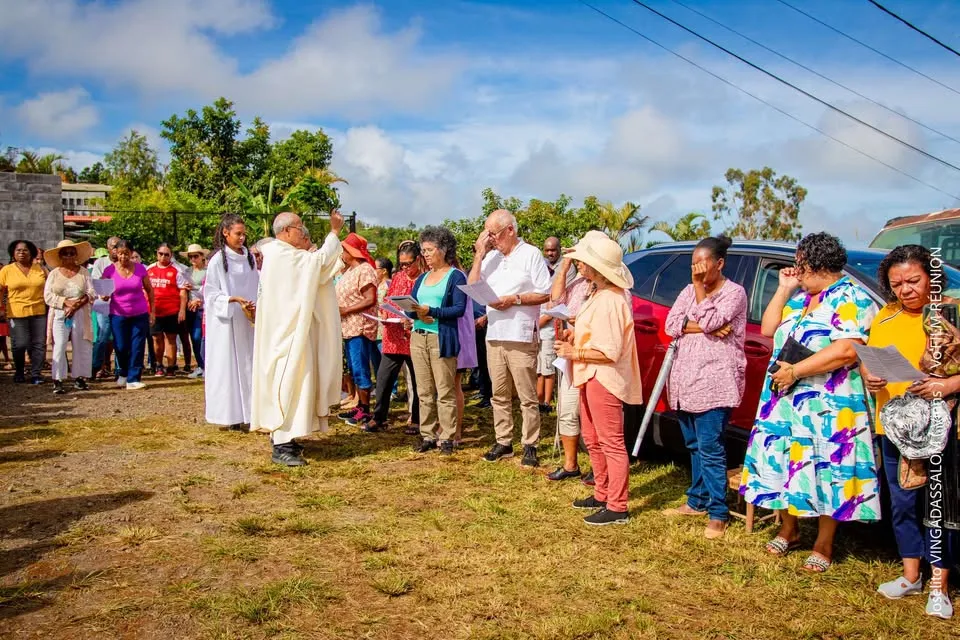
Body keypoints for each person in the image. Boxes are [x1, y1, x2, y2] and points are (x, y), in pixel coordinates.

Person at [740, 232, 880, 573]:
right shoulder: (801, 297)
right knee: (784, 459)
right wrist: (784, 289)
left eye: (799, 265)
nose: (795, 270)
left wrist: (797, 371)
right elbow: (770, 328)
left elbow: (847, 350)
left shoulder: (852, 298)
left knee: (827, 466)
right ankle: (789, 529)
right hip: (785, 400)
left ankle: (824, 542)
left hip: (827, 402)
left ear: (816, 265)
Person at [864, 245, 956, 618]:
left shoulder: (950, 314)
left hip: (942, 428)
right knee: (902, 504)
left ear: (931, 278)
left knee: (940, 507)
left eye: (914, 280)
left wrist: (948, 385)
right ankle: (910, 575)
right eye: (897, 284)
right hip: (894, 426)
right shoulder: (885, 317)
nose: (906, 290)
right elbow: (869, 360)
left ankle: (940, 586)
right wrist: (869, 376)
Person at [662, 236, 747, 539]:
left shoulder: (734, 293)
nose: (696, 270)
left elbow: (711, 321)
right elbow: (671, 325)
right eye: (693, 265)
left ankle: (718, 513)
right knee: (694, 445)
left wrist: (700, 298)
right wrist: (705, 325)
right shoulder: (687, 291)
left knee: (711, 448)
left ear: (719, 263)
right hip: (685, 383)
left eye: (702, 264)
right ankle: (697, 500)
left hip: (715, 384)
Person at [555, 232, 642, 525]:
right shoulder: (599, 294)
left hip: (603, 376)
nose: (579, 264)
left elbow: (609, 351)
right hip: (590, 374)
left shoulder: (611, 300)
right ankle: (603, 492)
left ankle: (617, 505)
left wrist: (574, 351)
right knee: (592, 438)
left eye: (583, 260)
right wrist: (575, 336)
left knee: (610, 442)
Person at [251, 211, 345, 466]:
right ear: (285, 231)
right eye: (299, 227)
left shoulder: (281, 254)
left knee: (296, 383)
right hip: (286, 336)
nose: (303, 232)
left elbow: (315, 269)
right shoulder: (282, 255)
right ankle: (282, 445)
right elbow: (318, 264)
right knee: (289, 382)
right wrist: (334, 232)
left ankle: (286, 437)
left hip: (288, 332)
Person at [468, 209, 552, 467]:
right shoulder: (491, 257)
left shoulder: (531, 254)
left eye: (493, 234)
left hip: (521, 334)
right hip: (495, 334)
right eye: (487, 234)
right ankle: (503, 441)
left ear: (510, 230)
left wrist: (515, 299)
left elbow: (545, 293)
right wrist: (480, 253)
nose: (490, 239)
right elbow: (473, 285)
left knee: (527, 395)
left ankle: (530, 444)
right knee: (499, 393)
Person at [408, 227, 467, 455]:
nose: (425, 254)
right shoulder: (422, 278)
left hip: (441, 338)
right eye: (423, 250)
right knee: (423, 390)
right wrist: (413, 311)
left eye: (429, 250)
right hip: (418, 336)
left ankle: (448, 437)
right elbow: (413, 306)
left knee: (444, 390)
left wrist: (432, 311)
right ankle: (428, 434)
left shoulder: (455, 276)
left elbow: (459, 309)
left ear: (443, 249)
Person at [202, 215, 260, 431]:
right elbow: (210, 293)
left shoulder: (249, 258)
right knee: (228, 368)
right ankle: (231, 415)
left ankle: (252, 413)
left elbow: (256, 284)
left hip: (246, 320)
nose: (242, 238)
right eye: (238, 234)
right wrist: (232, 299)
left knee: (249, 364)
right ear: (226, 233)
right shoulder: (218, 260)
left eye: (244, 234)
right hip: (226, 322)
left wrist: (254, 306)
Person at [364, 244, 423, 434]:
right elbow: (389, 299)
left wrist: (412, 318)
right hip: (393, 336)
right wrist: (385, 311)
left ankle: (417, 419)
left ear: (418, 259)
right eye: (402, 264)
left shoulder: (425, 278)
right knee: (383, 378)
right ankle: (379, 417)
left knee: (418, 380)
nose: (405, 268)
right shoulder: (398, 277)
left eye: (408, 264)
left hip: (414, 335)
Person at [43, 240, 97, 395]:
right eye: (65, 253)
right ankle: (58, 379)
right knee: (59, 345)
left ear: (76, 255)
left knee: (81, 344)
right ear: (60, 256)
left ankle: (80, 377)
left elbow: (91, 292)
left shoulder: (83, 272)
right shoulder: (54, 274)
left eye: (71, 253)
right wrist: (65, 302)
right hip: (60, 311)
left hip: (80, 311)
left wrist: (76, 304)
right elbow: (48, 295)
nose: (69, 256)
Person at [336, 233, 379, 426]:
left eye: (344, 250)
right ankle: (360, 405)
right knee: (354, 367)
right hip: (348, 327)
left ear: (351, 251)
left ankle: (366, 409)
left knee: (360, 368)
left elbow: (370, 298)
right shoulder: (349, 271)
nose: (341, 254)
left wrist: (346, 310)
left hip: (359, 327)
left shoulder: (365, 270)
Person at [102, 240, 154, 390]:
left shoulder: (140, 269)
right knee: (121, 346)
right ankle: (123, 373)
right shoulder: (109, 271)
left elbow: (149, 290)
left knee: (137, 345)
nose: (123, 257)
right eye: (120, 253)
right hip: (118, 314)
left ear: (131, 253)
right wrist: (104, 296)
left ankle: (133, 378)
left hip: (139, 313)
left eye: (126, 253)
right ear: (116, 254)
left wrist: (152, 311)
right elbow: (103, 291)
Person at [0, 240, 47, 384]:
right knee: (20, 344)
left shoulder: (40, 269)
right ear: (13, 253)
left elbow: (49, 288)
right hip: (16, 313)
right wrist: (1, 308)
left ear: (31, 253)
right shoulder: (6, 270)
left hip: (39, 311)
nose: (21, 253)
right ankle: (19, 371)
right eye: (18, 250)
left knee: (38, 344)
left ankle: (36, 374)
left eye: (25, 250)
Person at [148, 243, 188, 377]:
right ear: (156, 253)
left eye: (166, 254)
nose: (163, 257)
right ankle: (159, 365)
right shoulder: (149, 269)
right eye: (161, 254)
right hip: (154, 311)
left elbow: (183, 291)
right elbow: (144, 289)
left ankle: (171, 367)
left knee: (171, 339)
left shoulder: (177, 270)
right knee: (156, 339)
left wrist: (182, 310)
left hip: (171, 310)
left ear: (171, 256)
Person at [537, 236, 561, 414]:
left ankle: (546, 401)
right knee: (539, 369)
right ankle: (539, 400)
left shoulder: (553, 290)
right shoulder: (539, 289)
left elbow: (551, 312)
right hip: (538, 331)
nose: (550, 253)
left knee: (548, 367)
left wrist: (536, 324)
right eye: (547, 250)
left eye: (553, 250)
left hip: (548, 331)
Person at [178, 244, 208, 379]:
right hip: (191, 308)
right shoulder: (186, 272)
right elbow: (183, 290)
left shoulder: (208, 271)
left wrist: (199, 298)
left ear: (202, 256)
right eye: (190, 257)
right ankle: (201, 365)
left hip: (203, 308)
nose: (193, 259)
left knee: (201, 338)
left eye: (196, 256)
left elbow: (210, 289)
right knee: (195, 338)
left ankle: (206, 365)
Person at [91, 237, 119, 380]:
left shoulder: (126, 263)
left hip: (120, 306)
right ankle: (95, 367)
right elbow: (96, 282)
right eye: (114, 246)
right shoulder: (100, 263)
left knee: (119, 338)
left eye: (119, 246)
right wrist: (104, 293)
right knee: (102, 337)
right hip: (104, 305)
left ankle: (119, 370)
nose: (116, 249)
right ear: (108, 247)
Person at [372, 257, 392, 376]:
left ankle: (392, 387)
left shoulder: (390, 285)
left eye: (375, 268)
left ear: (384, 270)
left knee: (386, 363)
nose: (373, 271)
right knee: (377, 363)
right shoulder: (377, 285)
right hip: (375, 330)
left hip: (385, 330)